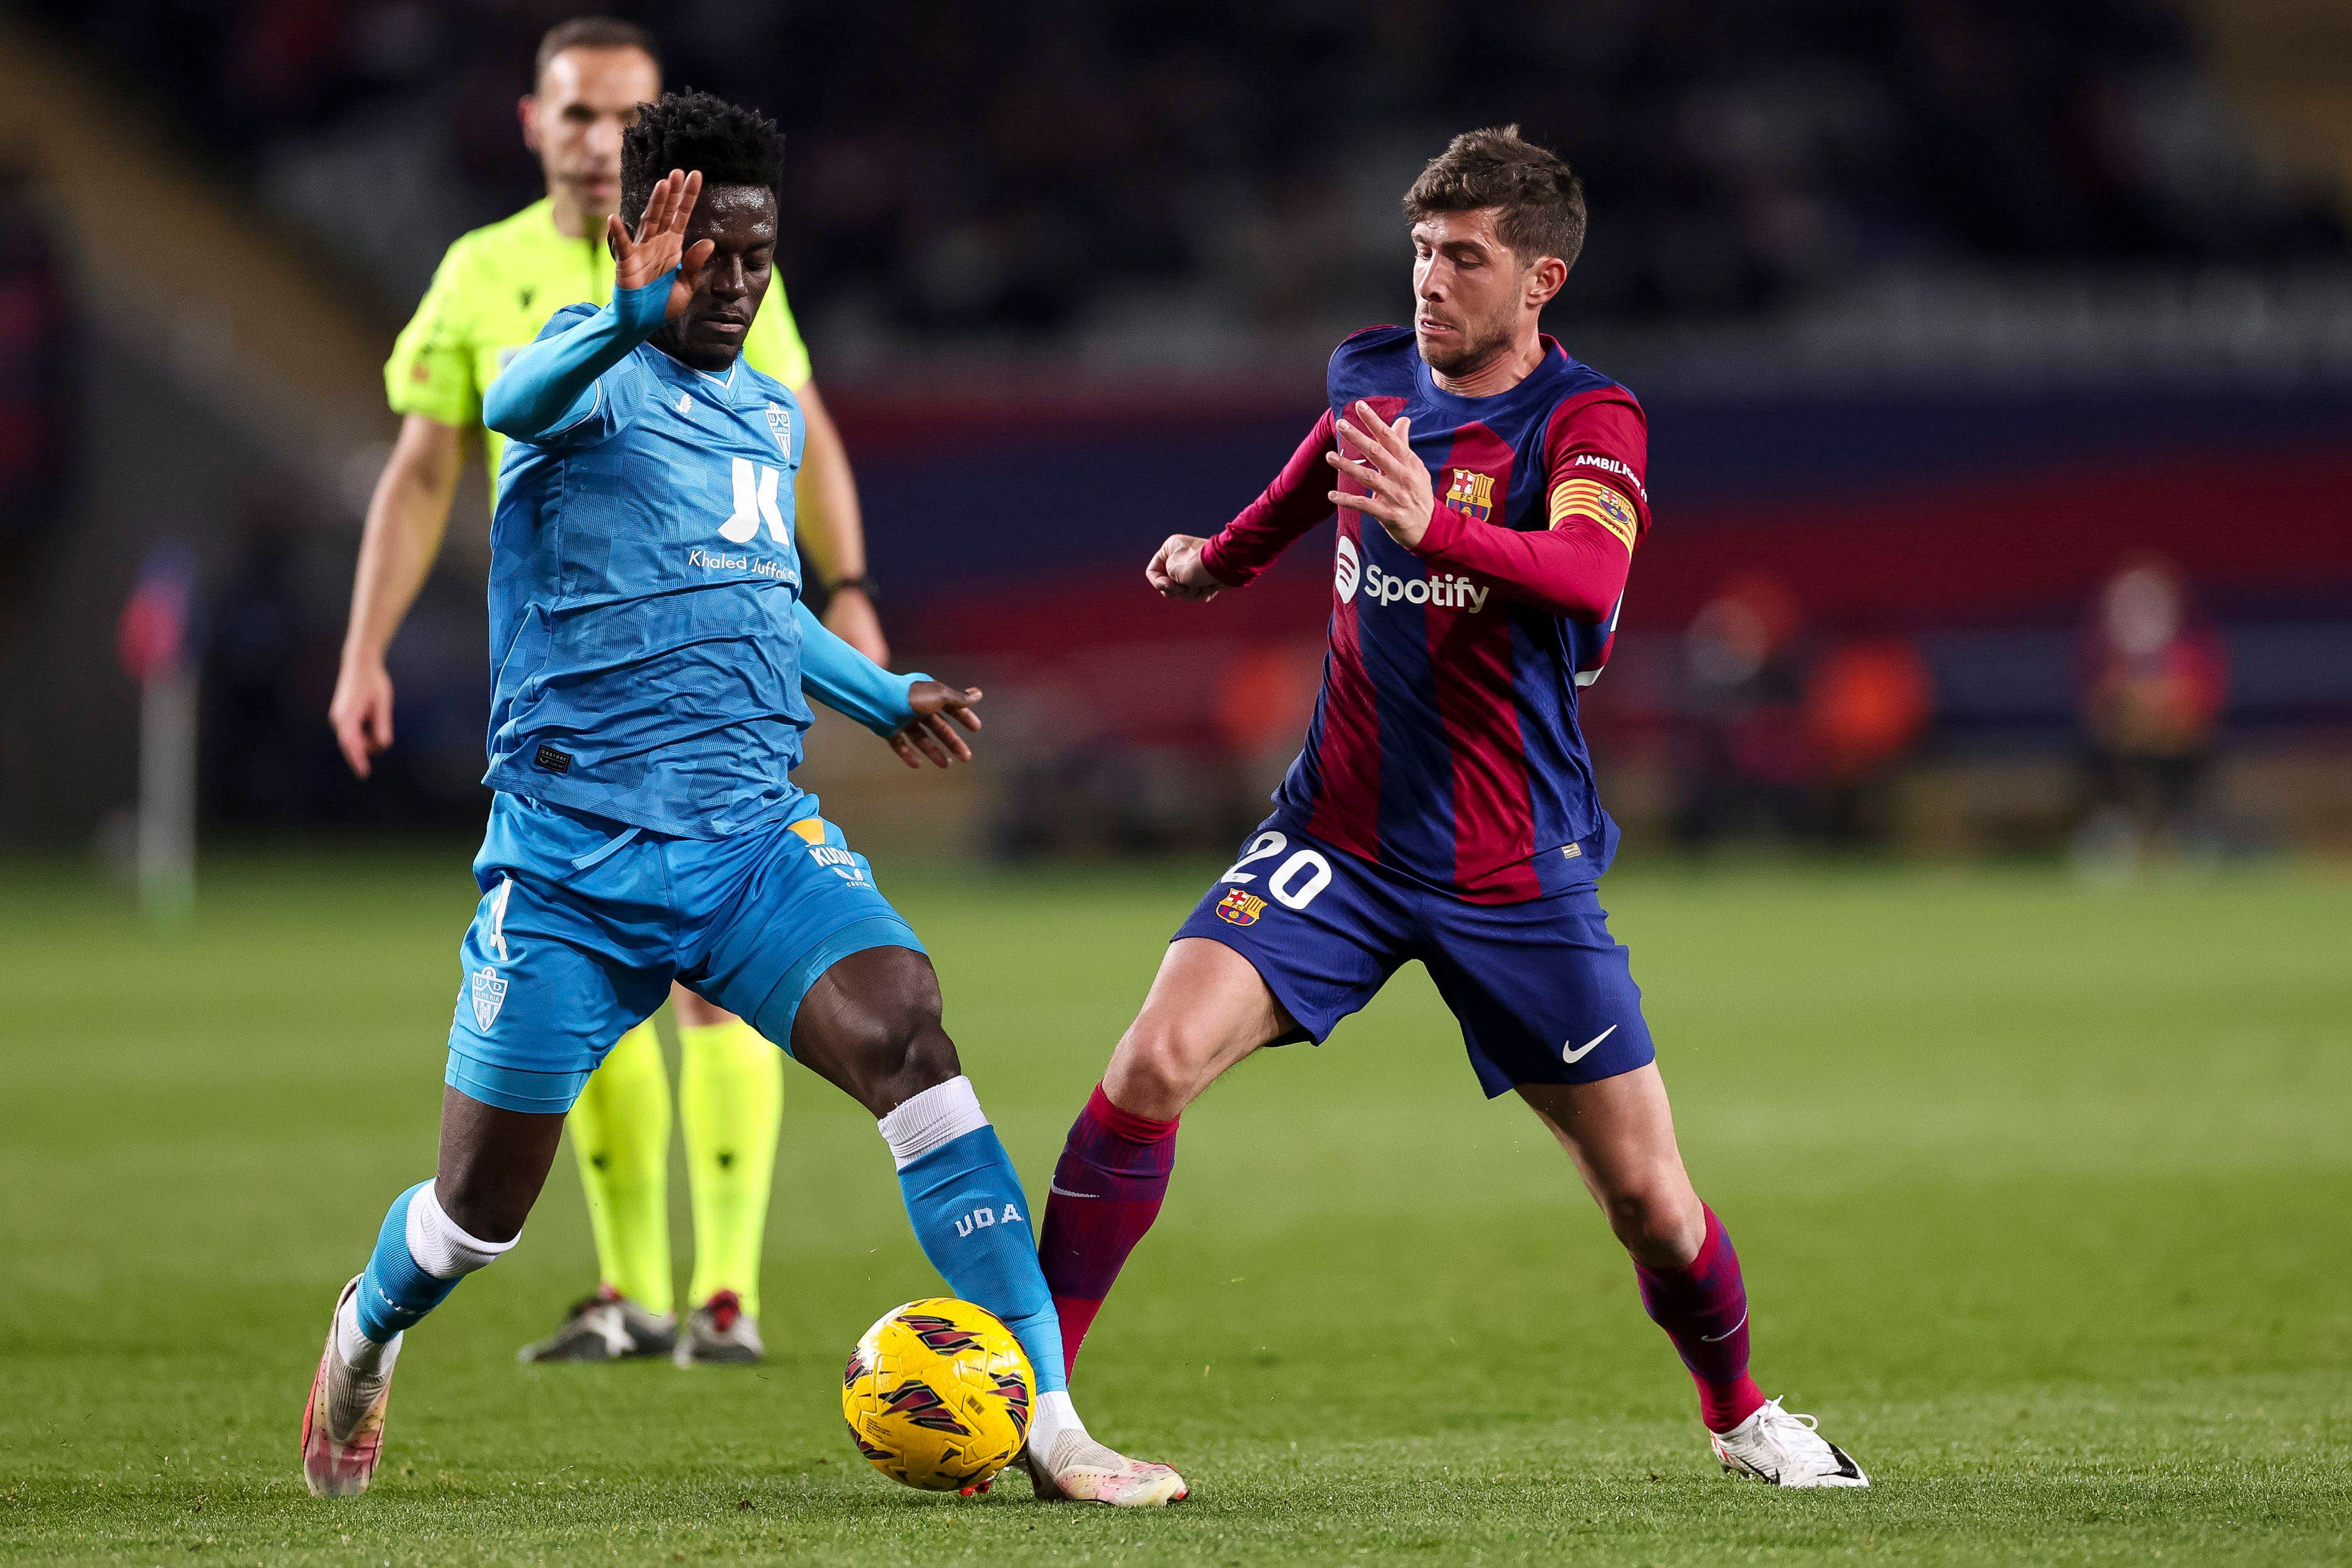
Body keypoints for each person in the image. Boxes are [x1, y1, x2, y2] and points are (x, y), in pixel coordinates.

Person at [300, 93, 1185, 1509]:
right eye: (712, 257)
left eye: (759, 259)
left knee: (907, 1029)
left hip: (746, 842)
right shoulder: (577, 377)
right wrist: (624, 310)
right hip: (574, 867)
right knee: (481, 1214)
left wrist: (879, 694)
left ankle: (1054, 1422)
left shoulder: (764, 411)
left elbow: (755, 594)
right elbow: (507, 405)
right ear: (644, 243)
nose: (738, 285)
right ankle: (366, 1327)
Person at [1034, 126, 1867, 1488]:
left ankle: (1742, 1414)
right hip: (1336, 839)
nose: (1432, 279)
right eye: (1422, 249)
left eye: (1466, 258)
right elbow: (1322, 466)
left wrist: (1442, 529)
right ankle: (1044, 1405)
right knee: (1148, 1067)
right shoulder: (1369, 371)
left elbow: (1592, 578)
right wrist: (1222, 563)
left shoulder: (1588, 421)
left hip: (1511, 871)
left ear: (1540, 280)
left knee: (1651, 1205)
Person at [328, 17, 889, 1365]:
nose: (594, 142)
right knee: (600, 1000)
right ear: (533, 125)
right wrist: (364, 644)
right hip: (568, 687)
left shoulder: (730, 265)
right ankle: (632, 1291)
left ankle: (727, 1296)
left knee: (717, 982)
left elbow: (791, 421)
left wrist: (848, 583)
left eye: (619, 118)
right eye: (573, 116)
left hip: (708, 693)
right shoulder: (485, 274)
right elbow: (422, 473)